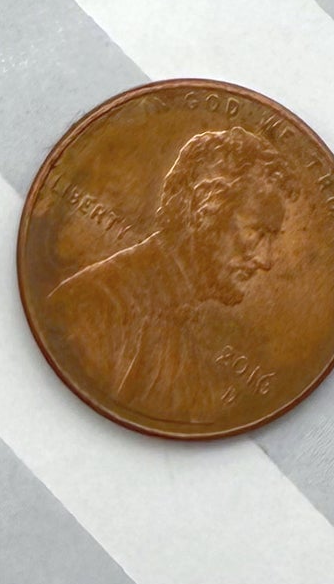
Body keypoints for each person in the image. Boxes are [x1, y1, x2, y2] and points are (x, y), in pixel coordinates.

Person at [42, 126, 294, 424]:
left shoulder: (196, 332)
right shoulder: (92, 306)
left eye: (271, 238)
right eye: (257, 232)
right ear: (204, 207)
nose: (266, 260)